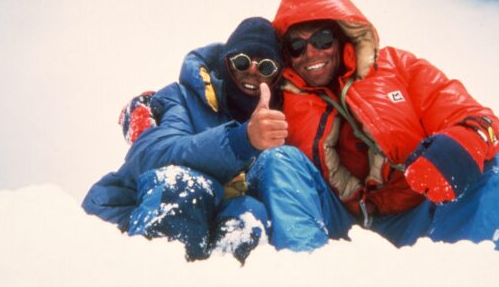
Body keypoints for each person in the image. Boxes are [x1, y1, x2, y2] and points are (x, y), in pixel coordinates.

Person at [271, 0, 499, 252]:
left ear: (341, 36)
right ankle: (310, 269)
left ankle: (449, 274)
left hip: (415, 217)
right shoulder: (276, 94)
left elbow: (482, 122)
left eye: (322, 40)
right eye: (297, 47)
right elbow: (233, 102)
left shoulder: (399, 68)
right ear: (287, 54)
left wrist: (457, 149)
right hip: (338, 220)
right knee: (279, 161)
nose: (311, 53)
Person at [82, 17, 353, 262]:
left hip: (218, 220)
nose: (253, 72)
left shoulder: (281, 119)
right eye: (242, 62)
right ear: (225, 62)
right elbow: (151, 155)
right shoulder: (182, 98)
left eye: (267, 67)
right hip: (142, 210)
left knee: (251, 214)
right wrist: (241, 140)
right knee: (185, 186)